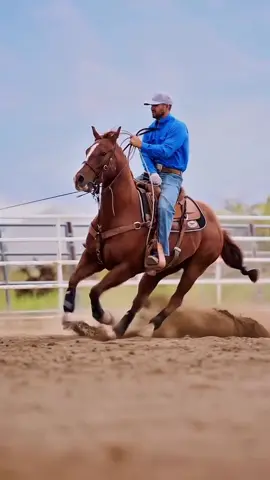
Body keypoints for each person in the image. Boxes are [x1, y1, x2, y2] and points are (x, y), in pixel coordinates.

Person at [130, 92, 189, 268]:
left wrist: (142, 145)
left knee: (164, 206)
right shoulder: (150, 129)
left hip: (172, 176)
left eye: (156, 105)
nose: (153, 108)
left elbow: (166, 150)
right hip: (151, 173)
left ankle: (161, 248)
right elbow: (145, 155)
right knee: (122, 191)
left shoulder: (178, 127)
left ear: (168, 107)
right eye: (151, 105)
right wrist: (152, 172)